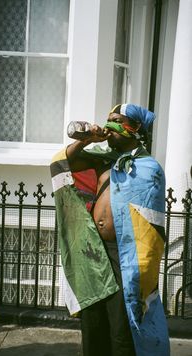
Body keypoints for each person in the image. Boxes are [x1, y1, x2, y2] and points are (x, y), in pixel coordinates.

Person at [50, 103, 170, 356]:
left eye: (116, 120)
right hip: (94, 253)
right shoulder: (103, 160)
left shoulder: (149, 168)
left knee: (121, 328)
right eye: (108, 119)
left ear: (134, 128)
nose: (109, 124)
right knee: (93, 324)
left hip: (124, 258)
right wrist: (86, 140)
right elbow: (63, 163)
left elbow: (150, 227)